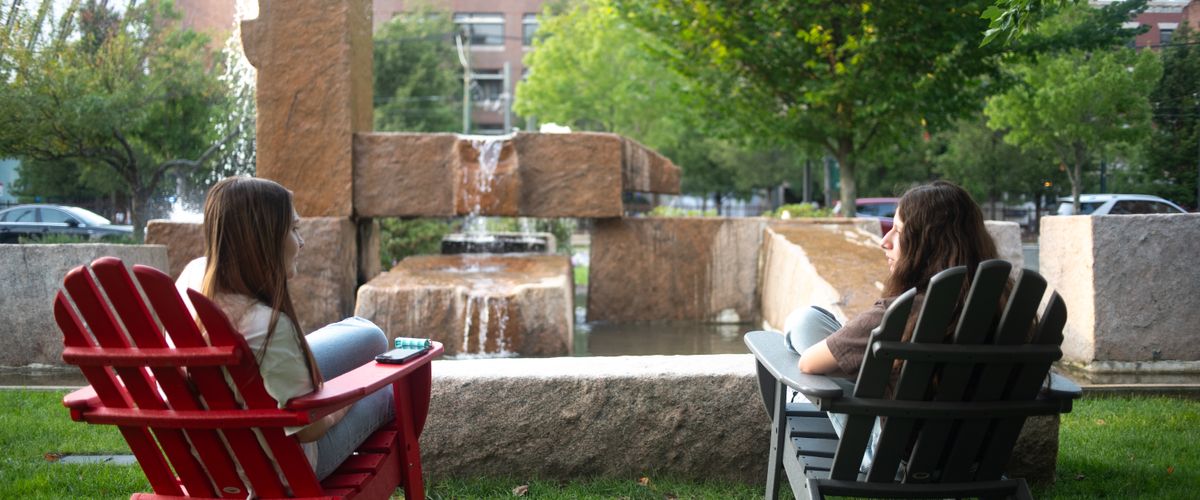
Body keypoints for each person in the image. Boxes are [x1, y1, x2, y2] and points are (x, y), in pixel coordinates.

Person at [176, 176, 393, 480]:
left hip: (211, 459)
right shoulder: (266, 325)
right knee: (388, 390)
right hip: (282, 467)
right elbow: (310, 430)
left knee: (369, 336)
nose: (301, 242)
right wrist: (348, 396)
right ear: (261, 239)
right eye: (293, 230)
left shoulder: (193, 277)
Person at [781, 180, 1004, 471]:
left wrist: (863, 365)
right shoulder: (1003, 304)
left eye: (898, 232)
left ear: (929, 243)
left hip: (893, 456)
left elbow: (809, 363)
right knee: (812, 322)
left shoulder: (902, 314)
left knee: (802, 325)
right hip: (974, 454)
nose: (884, 241)